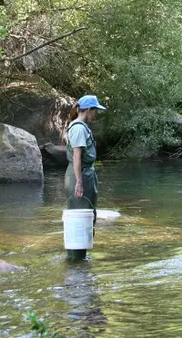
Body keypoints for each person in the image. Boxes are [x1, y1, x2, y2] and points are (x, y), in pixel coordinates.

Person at [62, 94, 106, 261]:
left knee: (86, 216)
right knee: (79, 219)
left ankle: (80, 259)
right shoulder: (79, 128)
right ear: (87, 110)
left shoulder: (78, 127)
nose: (96, 115)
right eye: (95, 111)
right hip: (79, 175)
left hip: (85, 174)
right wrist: (79, 181)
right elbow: (76, 157)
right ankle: (75, 261)